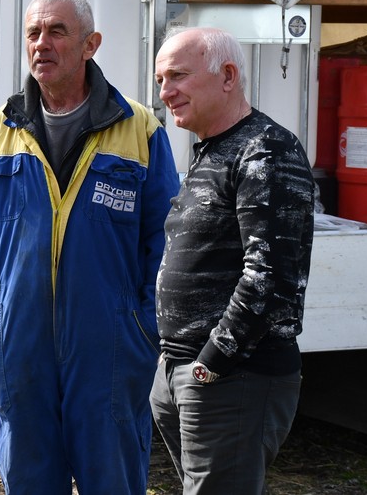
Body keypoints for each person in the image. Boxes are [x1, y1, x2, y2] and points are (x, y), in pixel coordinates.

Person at [0, 0, 180, 495]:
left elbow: (162, 244)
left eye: (57, 31)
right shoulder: (2, 129)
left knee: (113, 483)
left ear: (90, 44)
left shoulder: (138, 129)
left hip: (109, 353)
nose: (42, 44)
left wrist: (143, 331)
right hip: (17, 348)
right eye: (33, 33)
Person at [150, 27, 315, 495]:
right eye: (161, 80)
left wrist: (211, 362)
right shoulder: (212, 148)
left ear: (227, 76)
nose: (166, 92)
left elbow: (268, 276)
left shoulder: (265, 149)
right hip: (187, 371)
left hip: (235, 376)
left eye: (178, 76)